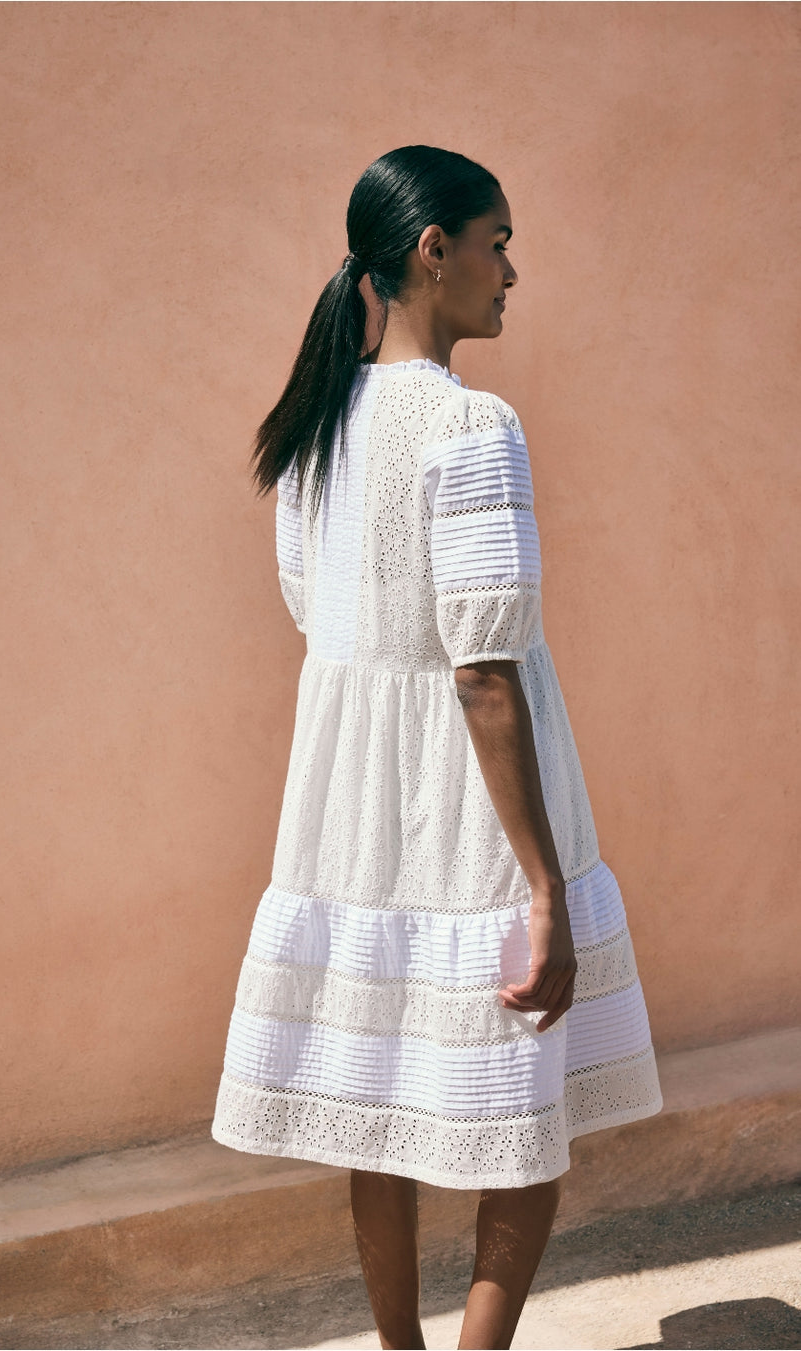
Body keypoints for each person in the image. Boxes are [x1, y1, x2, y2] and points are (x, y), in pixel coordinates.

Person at [211, 145, 663, 1351]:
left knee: (383, 1107)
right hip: (473, 819)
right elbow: (481, 668)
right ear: (433, 250)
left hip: (354, 818)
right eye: (497, 243)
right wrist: (543, 884)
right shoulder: (472, 425)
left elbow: (320, 617)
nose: (511, 271)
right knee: (523, 1117)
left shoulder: (315, 432)